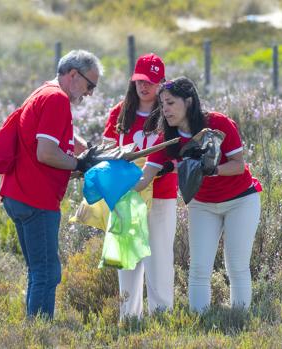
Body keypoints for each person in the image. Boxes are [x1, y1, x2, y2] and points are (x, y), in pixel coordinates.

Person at [134, 76, 261, 312]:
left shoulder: (218, 123)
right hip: (202, 205)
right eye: (162, 104)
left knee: (236, 266)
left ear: (189, 101)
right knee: (199, 268)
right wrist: (108, 179)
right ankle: (199, 320)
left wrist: (213, 170)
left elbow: (238, 166)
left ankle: (239, 319)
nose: (165, 109)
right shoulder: (167, 139)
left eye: (170, 103)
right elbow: (143, 180)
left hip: (241, 200)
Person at [0, 49, 103, 320]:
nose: (90, 93)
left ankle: (33, 327)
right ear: (72, 75)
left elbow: (59, 133)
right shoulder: (56, 99)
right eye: (90, 85)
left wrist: (87, 149)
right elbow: (45, 152)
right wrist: (80, 164)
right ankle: (40, 332)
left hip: (18, 193)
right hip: (36, 197)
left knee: (38, 270)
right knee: (47, 272)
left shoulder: (44, 92)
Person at [102, 53, 178, 318]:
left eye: (151, 81)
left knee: (158, 259)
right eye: (139, 81)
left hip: (161, 195)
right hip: (126, 197)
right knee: (128, 260)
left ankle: (161, 316)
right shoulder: (120, 112)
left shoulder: (170, 113)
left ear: (161, 83)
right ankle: (129, 319)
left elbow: (177, 153)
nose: (144, 87)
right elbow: (108, 151)